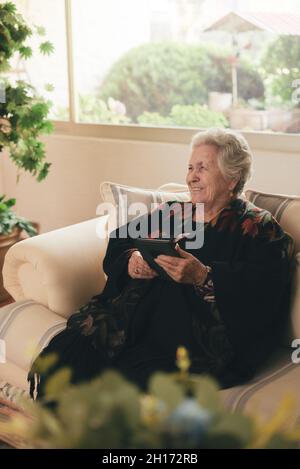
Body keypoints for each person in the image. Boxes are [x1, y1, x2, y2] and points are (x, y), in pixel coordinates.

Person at [28, 128, 292, 402]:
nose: (192, 176)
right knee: (71, 353)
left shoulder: (257, 227)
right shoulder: (177, 211)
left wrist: (203, 276)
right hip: (142, 320)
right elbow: (120, 241)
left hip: (196, 340)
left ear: (232, 177)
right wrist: (132, 260)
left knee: (123, 366)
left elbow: (265, 290)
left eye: (202, 168)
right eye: (190, 167)